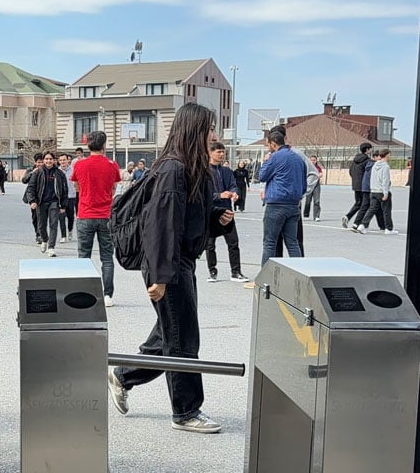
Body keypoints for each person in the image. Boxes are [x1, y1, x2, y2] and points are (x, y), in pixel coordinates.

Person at [108, 102, 234, 434]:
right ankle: (186, 411)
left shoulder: (195, 168)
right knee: (183, 338)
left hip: (180, 261)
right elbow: (160, 225)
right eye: (209, 129)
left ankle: (123, 375)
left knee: (169, 333)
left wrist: (216, 220)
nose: (213, 135)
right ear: (194, 129)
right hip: (167, 263)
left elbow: (187, 219)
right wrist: (161, 277)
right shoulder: (173, 169)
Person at [71, 131, 120, 306]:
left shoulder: (79, 165)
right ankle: (107, 295)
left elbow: (76, 186)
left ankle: (83, 292)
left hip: (85, 213)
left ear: (88, 145)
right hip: (106, 214)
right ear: (104, 145)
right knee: (107, 257)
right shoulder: (112, 164)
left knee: (83, 256)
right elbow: (114, 188)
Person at [254, 130, 305, 284]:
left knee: (270, 242)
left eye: (268, 144)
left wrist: (266, 160)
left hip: (276, 204)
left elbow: (261, 176)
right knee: (293, 242)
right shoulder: (298, 158)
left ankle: (266, 277)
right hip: (294, 205)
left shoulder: (275, 157)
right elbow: (304, 183)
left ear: (273, 143)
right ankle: (301, 274)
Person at [204, 142, 245, 283]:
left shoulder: (227, 171)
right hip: (211, 211)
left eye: (223, 152)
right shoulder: (204, 172)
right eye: (218, 152)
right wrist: (219, 195)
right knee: (210, 244)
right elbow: (203, 194)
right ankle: (212, 271)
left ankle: (236, 272)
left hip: (227, 211)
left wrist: (234, 193)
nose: (221, 154)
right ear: (210, 153)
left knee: (233, 242)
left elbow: (233, 185)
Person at [25, 151, 68, 257]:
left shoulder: (59, 173)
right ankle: (45, 240)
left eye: (50, 159)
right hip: (41, 202)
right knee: (41, 226)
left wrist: (63, 205)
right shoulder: (38, 172)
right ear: (43, 160)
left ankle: (51, 247)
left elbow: (64, 190)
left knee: (53, 224)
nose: (48, 161)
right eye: (46, 159)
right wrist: (32, 201)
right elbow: (31, 188)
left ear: (54, 161)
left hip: (54, 202)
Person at [354, 148, 394, 234]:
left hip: (373, 191)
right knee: (386, 210)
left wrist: (372, 189)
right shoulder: (385, 166)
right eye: (390, 155)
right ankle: (388, 228)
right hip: (381, 191)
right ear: (387, 155)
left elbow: (372, 178)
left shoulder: (374, 165)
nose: (390, 156)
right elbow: (385, 180)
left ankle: (363, 225)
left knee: (371, 209)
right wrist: (386, 193)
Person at [342, 142, 373, 228]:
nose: (371, 150)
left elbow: (351, 171)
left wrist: (355, 180)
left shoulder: (355, 160)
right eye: (370, 149)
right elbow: (368, 173)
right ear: (367, 150)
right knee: (365, 204)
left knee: (358, 203)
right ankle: (357, 223)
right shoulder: (367, 161)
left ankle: (348, 216)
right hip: (364, 186)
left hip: (355, 184)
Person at [22, 153, 45, 244]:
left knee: (42, 217)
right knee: (35, 217)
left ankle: (41, 234)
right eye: (39, 162)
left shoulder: (46, 170)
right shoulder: (30, 170)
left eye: (42, 162)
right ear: (35, 162)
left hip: (44, 197)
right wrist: (32, 173)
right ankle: (38, 234)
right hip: (33, 197)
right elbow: (24, 180)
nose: (40, 164)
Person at [58, 152, 78, 242]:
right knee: (61, 217)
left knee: (70, 216)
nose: (62, 162)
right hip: (60, 198)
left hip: (71, 196)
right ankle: (63, 236)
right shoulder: (57, 171)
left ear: (68, 161)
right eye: (61, 160)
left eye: (64, 160)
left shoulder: (73, 170)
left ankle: (70, 231)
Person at [305, 154, 323, 221]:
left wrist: (318, 175)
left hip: (316, 186)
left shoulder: (318, 168)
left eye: (314, 160)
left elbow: (321, 174)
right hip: (309, 185)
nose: (313, 161)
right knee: (308, 201)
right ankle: (306, 213)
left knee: (317, 201)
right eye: (311, 160)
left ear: (316, 161)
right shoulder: (307, 167)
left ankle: (316, 216)